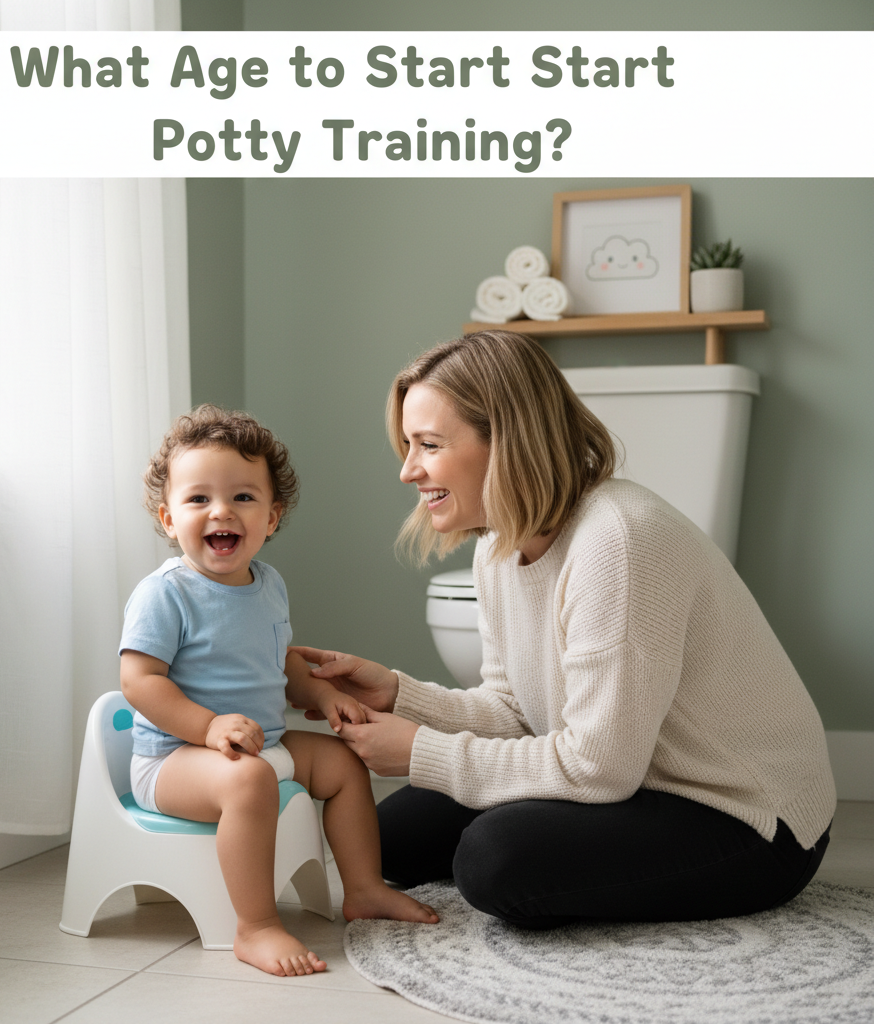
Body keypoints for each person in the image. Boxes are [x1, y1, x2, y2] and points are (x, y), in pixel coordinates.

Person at [292, 330, 836, 930]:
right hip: (632, 777)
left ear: (506, 441)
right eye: (407, 445)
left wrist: (424, 751)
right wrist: (398, 694)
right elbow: (514, 709)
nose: (407, 471)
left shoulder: (619, 540)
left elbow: (601, 767)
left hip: (746, 816)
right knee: (389, 838)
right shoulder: (498, 546)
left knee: (493, 859)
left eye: (428, 445)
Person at [120, 405, 438, 979]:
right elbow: (140, 682)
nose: (221, 511)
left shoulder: (268, 585)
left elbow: (277, 662)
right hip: (176, 759)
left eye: (243, 497)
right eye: (198, 500)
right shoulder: (165, 594)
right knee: (249, 779)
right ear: (169, 519)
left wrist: (317, 697)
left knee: (343, 762)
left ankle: (363, 888)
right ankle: (256, 925)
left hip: (258, 743)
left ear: (272, 516)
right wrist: (207, 727)